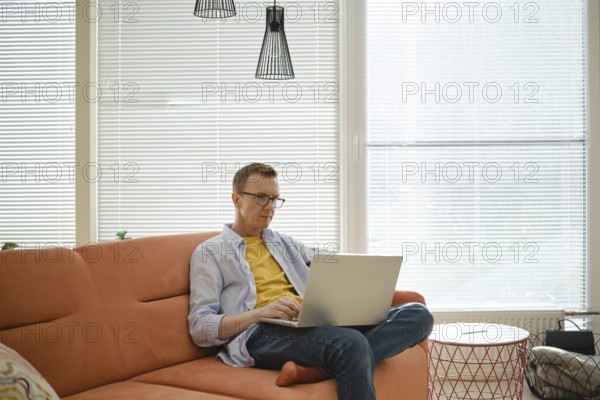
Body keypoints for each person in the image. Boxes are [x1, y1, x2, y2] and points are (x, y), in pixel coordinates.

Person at [188, 162, 434, 400]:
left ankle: (319, 370)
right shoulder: (210, 252)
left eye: (275, 199)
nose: (270, 207)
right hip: (260, 334)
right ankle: (336, 362)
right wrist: (260, 313)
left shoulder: (282, 242)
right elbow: (201, 328)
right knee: (351, 343)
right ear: (236, 199)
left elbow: (332, 262)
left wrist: (360, 280)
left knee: (417, 315)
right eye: (261, 197)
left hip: (308, 323)